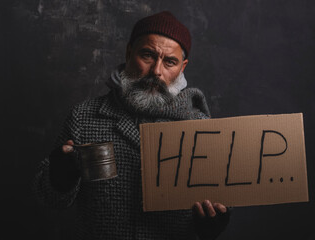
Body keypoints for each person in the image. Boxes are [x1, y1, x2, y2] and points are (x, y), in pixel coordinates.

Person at [34, 11, 231, 240]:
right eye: (147, 55)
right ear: (129, 53)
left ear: (182, 68)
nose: (156, 71)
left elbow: (220, 203)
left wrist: (211, 225)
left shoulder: (201, 128)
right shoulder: (84, 117)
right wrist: (60, 177)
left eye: (170, 62)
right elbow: (49, 199)